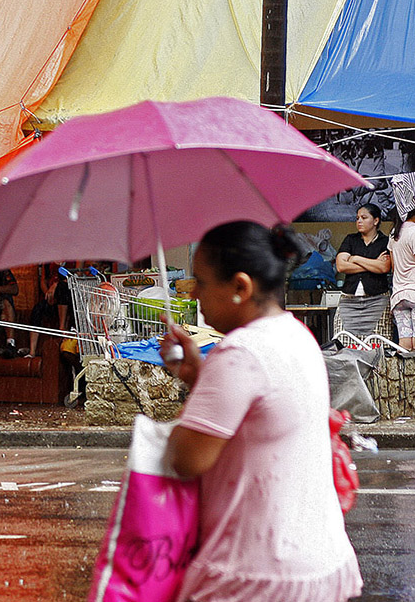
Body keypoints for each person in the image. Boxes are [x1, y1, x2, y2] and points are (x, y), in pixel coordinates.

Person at [158, 221, 362, 601]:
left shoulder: (240, 353)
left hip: (256, 574)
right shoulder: (296, 336)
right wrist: (198, 378)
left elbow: (186, 458)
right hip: (319, 563)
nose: (194, 294)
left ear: (240, 287)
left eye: (200, 282)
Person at [334, 203, 392, 337]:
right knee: (343, 341)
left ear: (376, 220)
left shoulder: (385, 241)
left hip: (377, 300)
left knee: (378, 344)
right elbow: (341, 266)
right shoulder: (350, 239)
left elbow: (384, 267)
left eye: (364, 217)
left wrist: (355, 258)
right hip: (349, 300)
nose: (359, 221)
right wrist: (373, 264)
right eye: (357, 218)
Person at [388, 194, 415, 350]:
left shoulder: (394, 233)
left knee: (405, 344)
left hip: (399, 296)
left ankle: (405, 374)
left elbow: (394, 267)